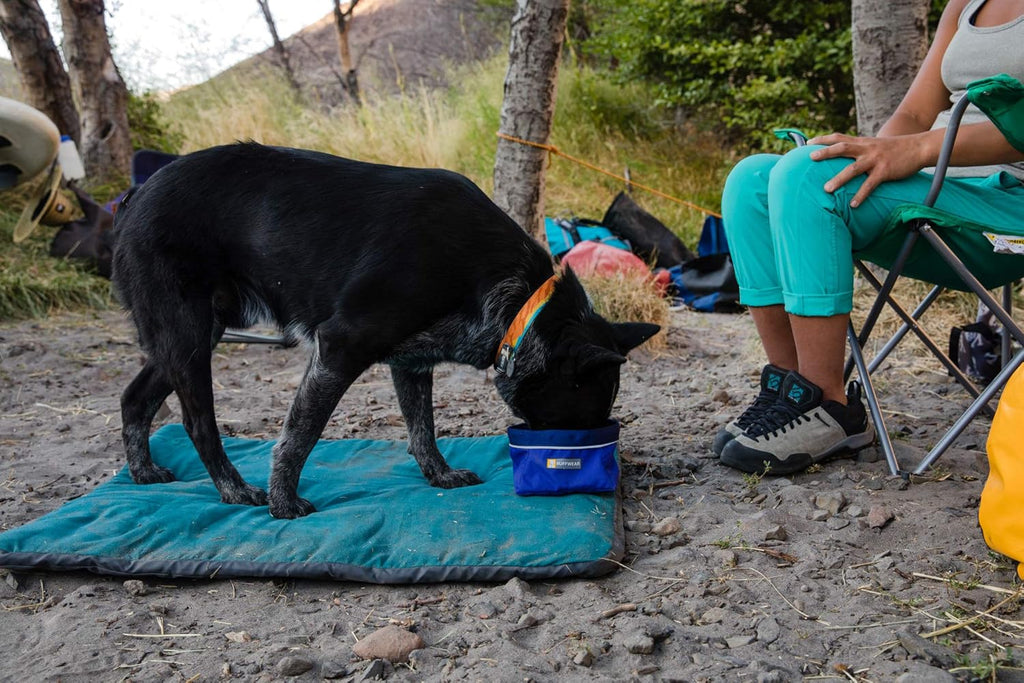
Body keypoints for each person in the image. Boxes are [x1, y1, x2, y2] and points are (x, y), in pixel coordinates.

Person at [716, 0, 1024, 476]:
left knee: (800, 178)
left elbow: (922, 138)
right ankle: (792, 393)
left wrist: (919, 149)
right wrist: (870, 156)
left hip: (1006, 209)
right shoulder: (965, 5)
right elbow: (915, 112)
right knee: (752, 181)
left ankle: (829, 406)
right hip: (937, 189)